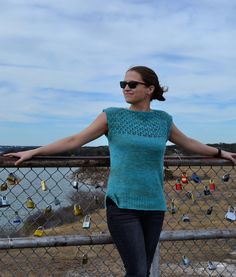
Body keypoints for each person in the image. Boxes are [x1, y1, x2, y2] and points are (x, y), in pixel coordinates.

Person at [4, 66, 236, 276]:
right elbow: (75, 140)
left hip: (154, 206)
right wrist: (33, 152)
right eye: (123, 84)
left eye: (132, 84)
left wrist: (219, 152)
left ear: (149, 89)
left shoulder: (163, 120)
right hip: (122, 205)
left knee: (142, 270)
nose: (126, 88)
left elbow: (188, 143)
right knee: (136, 271)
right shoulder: (112, 116)